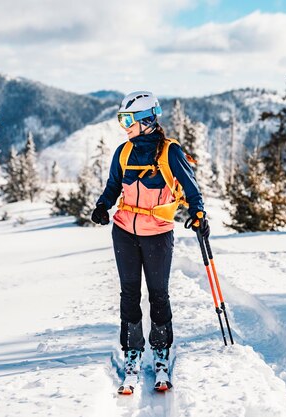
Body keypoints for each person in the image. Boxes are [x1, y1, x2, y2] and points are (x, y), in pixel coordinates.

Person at [90, 91, 210, 394]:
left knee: (159, 294)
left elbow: (190, 186)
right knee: (129, 295)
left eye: (127, 119)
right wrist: (103, 206)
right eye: (121, 119)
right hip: (124, 233)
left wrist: (198, 214)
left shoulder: (169, 152)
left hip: (157, 233)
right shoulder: (123, 152)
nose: (123, 125)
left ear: (146, 119)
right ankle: (132, 354)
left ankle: (160, 354)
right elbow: (114, 186)